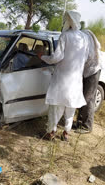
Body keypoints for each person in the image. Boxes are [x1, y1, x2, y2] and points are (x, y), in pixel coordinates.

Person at [38, 11, 90, 141]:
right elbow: (86, 57)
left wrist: (43, 57)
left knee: (56, 108)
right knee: (70, 108)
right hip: (76, 80)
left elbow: (57, 57)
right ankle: (66, 134)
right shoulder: (84, 38)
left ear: (69, 21)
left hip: (62, 79)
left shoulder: (65, 36)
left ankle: (51, 133)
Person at [75, 30, 101, 134]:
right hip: (87, 71)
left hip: (93, 71)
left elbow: (85, 58)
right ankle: (79, 123)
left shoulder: (86, 41)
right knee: (81, 97)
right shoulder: (86, 37)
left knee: (88, 98)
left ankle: (87, 126)